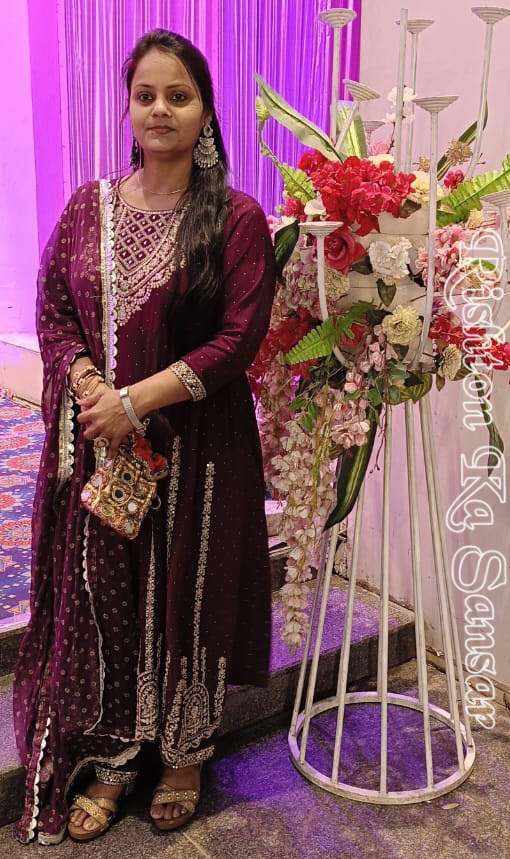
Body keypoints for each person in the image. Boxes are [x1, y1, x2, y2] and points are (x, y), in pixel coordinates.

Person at [13, 29, 276, 845]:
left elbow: (237, 338)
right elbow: (54, 306)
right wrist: (92, 388)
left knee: (189, 593)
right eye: (146, 95)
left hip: (199, 451)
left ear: (205, 113)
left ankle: (185, 754)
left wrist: (136, 400)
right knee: (111, 593)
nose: (160, 109)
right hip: (107, 449)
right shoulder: (87, 207)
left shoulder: (235, 218)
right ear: (128, 108)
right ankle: (119, 752)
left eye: (179, 96)